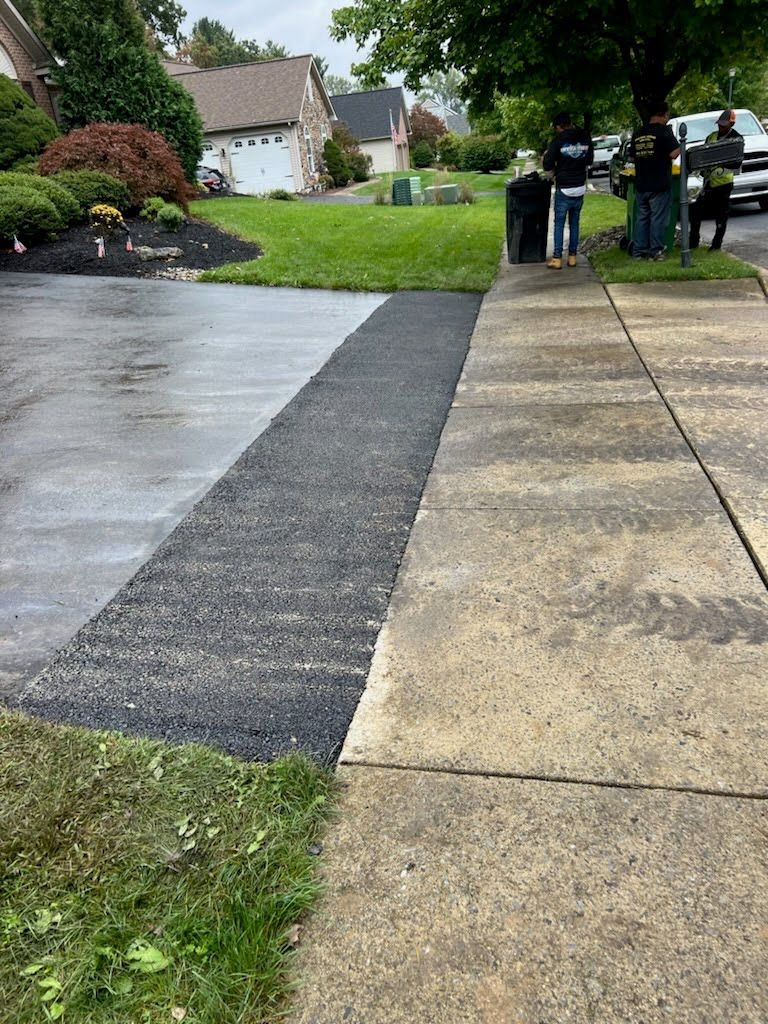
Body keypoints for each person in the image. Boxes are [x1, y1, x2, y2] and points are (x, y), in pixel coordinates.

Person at [629, 100, 680, 260]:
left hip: (641, 184)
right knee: (658, 219)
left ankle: (638, 251)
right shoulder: (664, 131)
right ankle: (656, 251)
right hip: (659, 184)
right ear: (663, 114)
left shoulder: (638, 133)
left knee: (642, 218)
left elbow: (632, 157)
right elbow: (674, 153)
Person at [542, 111, 593, 269]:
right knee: (574, 223)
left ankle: (557, 258)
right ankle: (572, 257)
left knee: (559, 223)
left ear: (559, 126)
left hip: (564, 188)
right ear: (570, 123)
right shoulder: (585, 137)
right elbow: (589, 160)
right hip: (580, 186)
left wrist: (548, 157)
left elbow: (547, 165)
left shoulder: (558, 140)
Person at [689, 109, 743, 250]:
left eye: (724, 124)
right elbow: (703, 156)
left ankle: (716, 245)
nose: (721, 127)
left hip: (724, 183)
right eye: (719, 124)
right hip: (708, 182)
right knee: (695, 211)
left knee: (721, 216)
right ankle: (693, 241)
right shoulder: (711, 137)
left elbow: (737, 163)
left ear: (731, 124)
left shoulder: (736, 139)